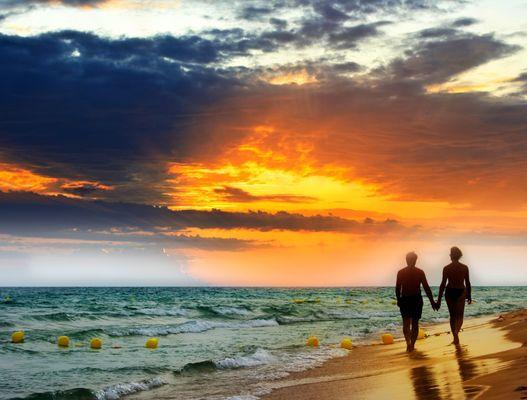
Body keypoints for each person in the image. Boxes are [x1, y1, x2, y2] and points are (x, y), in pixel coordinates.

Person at [396, 252, 437, 352]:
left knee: (406, 323)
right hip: (416, 300)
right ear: (415, 260)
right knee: (415, 323)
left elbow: (397, 288)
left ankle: (408, 343)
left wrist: (398, 299)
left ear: (406, 260)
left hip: (405, 299)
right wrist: (432, 302)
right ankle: (412, 345)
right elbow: (426, 288)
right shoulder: (420, 272)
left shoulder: (401, 272)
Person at [436, 246, 472, 345]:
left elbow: (443, 284)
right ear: (459, 255)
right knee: (460, 316)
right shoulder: (464, 267)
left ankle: (455, 337)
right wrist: (469, 295)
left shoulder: (447, 268)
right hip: (461, 291)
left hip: (449, 291)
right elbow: (468, 283)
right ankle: (456, 333)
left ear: (451, 255)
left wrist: (438, 300)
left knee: (452, 316)